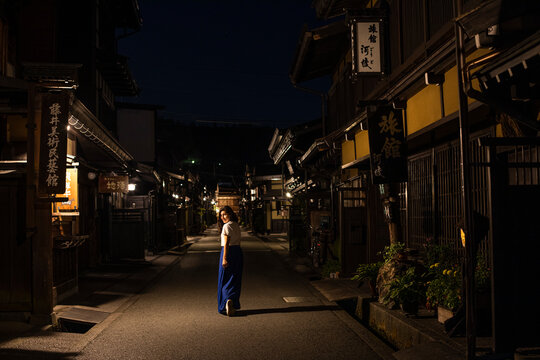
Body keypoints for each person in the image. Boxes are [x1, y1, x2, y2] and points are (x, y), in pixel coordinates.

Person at [217, 206, 243, 316]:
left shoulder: (226, 226)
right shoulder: (236, 225)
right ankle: (232, 300)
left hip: (228, 252)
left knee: (225, 279)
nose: (222, 217)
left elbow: (227, 243)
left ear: (230, 215)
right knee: (235, 278)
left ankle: (227, 301)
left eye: (225, 215)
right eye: (221, 215)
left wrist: (224, 258)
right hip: (238, 252)